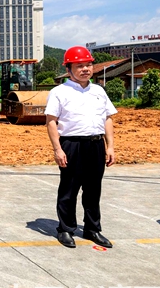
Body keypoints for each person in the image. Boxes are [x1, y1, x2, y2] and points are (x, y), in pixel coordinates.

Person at [45, 46, 116, 249]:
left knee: (93, 189)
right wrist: (58, 149)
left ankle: (92, 229)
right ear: (69, 69)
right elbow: (51, 122)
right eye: (80, 65)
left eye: (88, 64)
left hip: (96, 144)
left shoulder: (98, 91)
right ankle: (66, 229)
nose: (85, 69)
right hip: (71, 145)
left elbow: (108, 119)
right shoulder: (59, 92)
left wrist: (110, 146)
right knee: (69, 188)